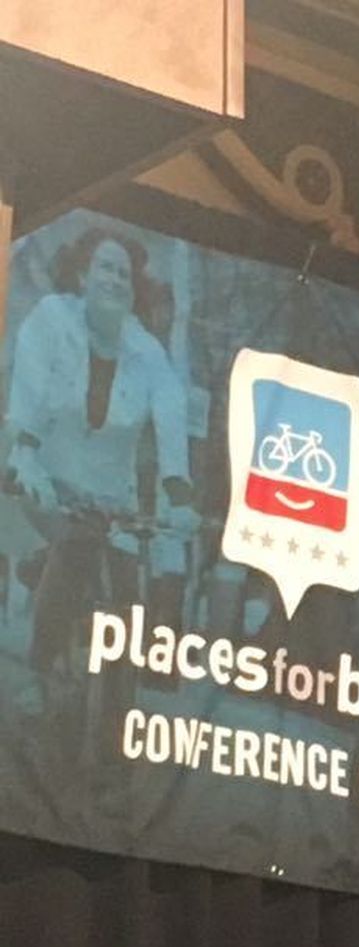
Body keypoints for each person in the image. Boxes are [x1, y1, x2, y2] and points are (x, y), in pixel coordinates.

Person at [5, 225, 195, 710]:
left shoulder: (146, 350)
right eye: (105, 269)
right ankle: (38, 675)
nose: (115, 280)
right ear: (83, 276)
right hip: (40, 484)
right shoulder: (51, 320)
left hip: (112, 501)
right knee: (74, 544)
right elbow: (26, 397)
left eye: (125, 275)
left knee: (127, 602)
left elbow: (171, 412)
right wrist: (26, 455)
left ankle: (115, 730)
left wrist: (179, 493)